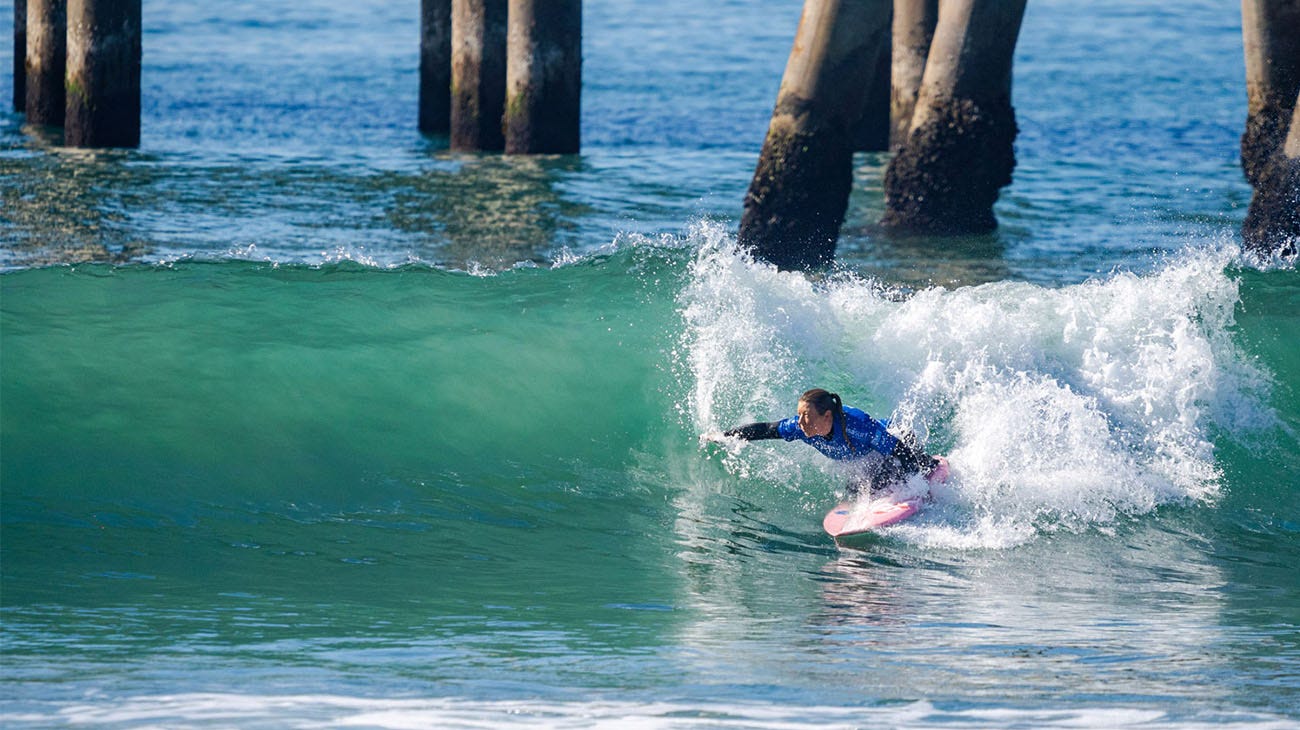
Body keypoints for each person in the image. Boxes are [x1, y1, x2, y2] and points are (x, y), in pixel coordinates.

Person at [709, 388, 943, 496]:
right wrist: (725, 435)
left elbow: (898, 450)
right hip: (868, 457)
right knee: (855, 490)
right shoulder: (802, 428)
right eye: (799, 415)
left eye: (806, 416)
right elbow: (767, 429)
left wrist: (918, 487)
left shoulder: (856, 425)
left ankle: (930, 464)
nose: (800, 422)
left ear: (827, 416)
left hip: (898, 440)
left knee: (899, 474)